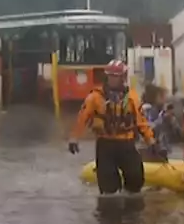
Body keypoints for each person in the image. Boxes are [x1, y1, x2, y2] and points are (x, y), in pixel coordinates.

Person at [69, 59, 166, 194]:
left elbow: (141, 122)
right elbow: (82, 117)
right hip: (105, 144)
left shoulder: (132, 97)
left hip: (126, 143)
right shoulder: (95, 97)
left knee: (135, 180)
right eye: (110, 76)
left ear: (123, 77)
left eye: (115, 76)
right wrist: (74, 138)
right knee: (108, 187)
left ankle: (132, 210)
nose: (112, 79)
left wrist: (151, 141)